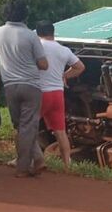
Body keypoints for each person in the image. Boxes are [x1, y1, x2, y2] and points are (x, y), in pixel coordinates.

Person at [0, 0, 48, 177]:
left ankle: (38, 158)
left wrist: (0, 53)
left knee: (21, 126)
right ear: (25, 15)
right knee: (28, 126)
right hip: (31, 86)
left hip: (10, 86)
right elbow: (43, 64)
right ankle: (24, 167)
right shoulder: (31, 36)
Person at [36, 20, 85, 171]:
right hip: (57, 93)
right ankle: (67, 164)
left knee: (28, 127)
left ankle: (27, 158)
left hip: (40, 92)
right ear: (53, 32)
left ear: (37, 33)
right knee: (60, 131)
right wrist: (64, 75)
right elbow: (80, 67)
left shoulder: (37, 48)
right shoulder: (63, 50)